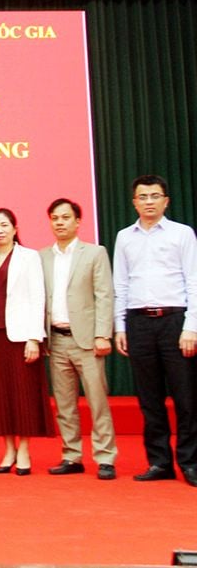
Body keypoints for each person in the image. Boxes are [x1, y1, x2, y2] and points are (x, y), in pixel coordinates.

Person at [113, 174, 197, 487]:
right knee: (149, 399)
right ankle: (159, 462)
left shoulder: (182, 234)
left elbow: (194, 280)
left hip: (175, 321)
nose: (149, 202)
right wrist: (120, 325)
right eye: (143, 197)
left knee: (186, 398)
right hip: (138, 323)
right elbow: (120, 282)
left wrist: (192, 326)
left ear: (166, 200)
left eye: (154, 196)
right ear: (134, 202)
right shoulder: (125, 237)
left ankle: (190, 462)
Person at [40, 198, 118, 480]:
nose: (59, 222)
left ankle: (105, 457)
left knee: (97, 401)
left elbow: (104, 295)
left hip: (87, 340)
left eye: (65, 217)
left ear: (77, 221)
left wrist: (102, 334)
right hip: (56, 340)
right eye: (54, 218)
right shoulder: (43, 256)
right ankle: (71, 455)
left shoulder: (94, 253)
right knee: (64, 404)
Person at [0, 208, 55, 475]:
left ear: (15, 227)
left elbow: (38, 298)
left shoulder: (29, 257)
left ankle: (24, 451)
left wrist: (35, 337)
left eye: (4, 225)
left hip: (21, 337)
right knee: (0, 397)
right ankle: (8, 450)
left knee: (22, 396)